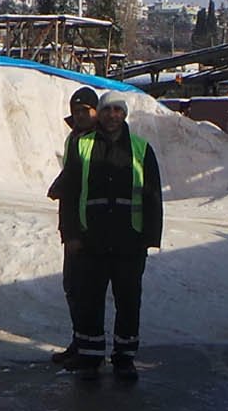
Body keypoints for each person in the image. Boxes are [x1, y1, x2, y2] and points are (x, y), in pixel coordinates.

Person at [56, 91, 163, 381]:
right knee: (90, 299)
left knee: (128, 301)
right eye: (107, 110)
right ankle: (90, 357)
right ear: (100, 114)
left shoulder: (141, 148)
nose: (112, 115)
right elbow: (69, 193)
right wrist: (71, 234)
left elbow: (153, 195)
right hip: (92, 240)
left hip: (130, 241)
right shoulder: (83, 145)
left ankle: (124, 357)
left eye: (118, 110)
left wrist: (150, 237)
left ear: (124, 114)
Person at [46, 86, 103, 366]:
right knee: (73, 287)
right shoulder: (74, 138)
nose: (80, 115)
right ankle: (79, 341)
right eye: (76, 111)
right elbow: (72, 174)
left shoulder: (102, 139)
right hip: (71, 224)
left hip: (92, 228)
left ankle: (91, 350)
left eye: (85, 110)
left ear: (96, 111)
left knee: (89, 291)